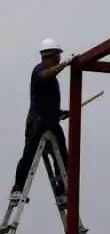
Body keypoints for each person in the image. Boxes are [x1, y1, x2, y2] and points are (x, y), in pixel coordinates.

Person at [9, 38, 74, 207]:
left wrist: (60, 113)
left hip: (51, 121)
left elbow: (47, 101)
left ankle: (61, 190)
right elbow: (45, 76)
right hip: (37, 122)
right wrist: (66, 64)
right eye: (58, 56)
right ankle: (17, 188)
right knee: (29, 154)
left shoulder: (52, 79)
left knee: (62, 157)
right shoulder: (40, 70)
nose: (59, 59)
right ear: (51, 56)